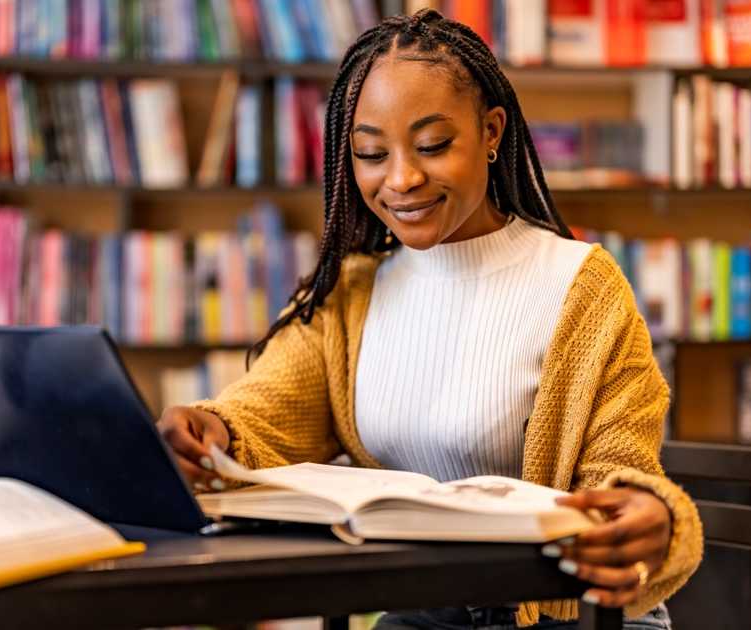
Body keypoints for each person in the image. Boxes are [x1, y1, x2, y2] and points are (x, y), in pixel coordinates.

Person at [157, 9, 702, 629]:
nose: (401, 179)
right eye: (370, 152)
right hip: (426, 610)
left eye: (433, 145)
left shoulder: (583, 287)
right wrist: (214, 433)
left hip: (566, 614)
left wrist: (646, 516)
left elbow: (624, 470)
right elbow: (263, 414)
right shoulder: (352, 293)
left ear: (492, 131)